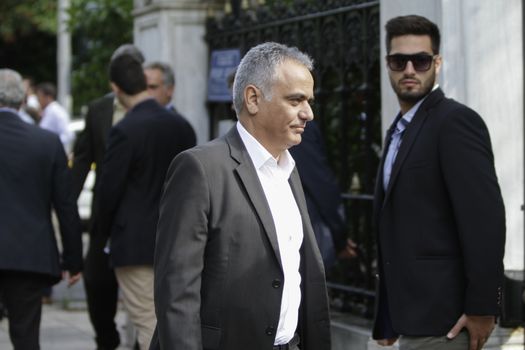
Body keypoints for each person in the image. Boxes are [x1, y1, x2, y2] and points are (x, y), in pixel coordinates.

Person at [150, 42, 331, 350]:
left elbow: (301, 275)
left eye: (309, 101)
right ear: (253, 99)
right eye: (296, 100)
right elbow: (177, 291)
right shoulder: (200, 168)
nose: (308, 114)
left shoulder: (288, 168)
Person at [373, 15, 506, 350]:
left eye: (420, 60)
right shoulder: (399, 130)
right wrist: (388, 312)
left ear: (437, 63)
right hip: (411, 318)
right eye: (398, 60)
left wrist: (482, 307)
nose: (409, 70)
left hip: (446, 321)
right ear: (388, 64)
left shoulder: (455, 122)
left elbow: (484, 221)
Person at [97, 53, 196, 350]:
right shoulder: (182, 126)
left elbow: (107, 193)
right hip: (180, 241)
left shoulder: (125, 130)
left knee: (150, 326)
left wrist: (102, 237)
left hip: (135, 246)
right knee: (174, 322)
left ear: (116, 89)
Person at [0, 68, 83, 349]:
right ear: (23, 101)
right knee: (26, 337)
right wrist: (73, 260)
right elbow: (65, 204)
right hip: (29, 255)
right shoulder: (46, 143)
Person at [71, 43, 145, 350]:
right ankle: (107, 339)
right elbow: (82, 162)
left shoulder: (156, 113)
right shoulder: (98, 110)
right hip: (105, 218)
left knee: (144, 300)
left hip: (141, 220)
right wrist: (63, 203)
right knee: (96, 284)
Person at [289, 120, 357, 270]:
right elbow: (319, 182)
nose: (307, 112)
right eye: (298, 100)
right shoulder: (295, 126)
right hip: (303, 240)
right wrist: (340, 237)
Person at [35, 82, 74, 153]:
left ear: (48, 97)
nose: (38, 100)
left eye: (40, 96)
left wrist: (52, 143)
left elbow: (68, 135)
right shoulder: (49, 111)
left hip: (55, 154)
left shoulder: (55, 111)